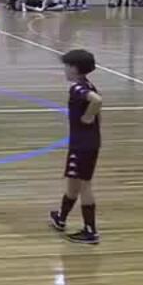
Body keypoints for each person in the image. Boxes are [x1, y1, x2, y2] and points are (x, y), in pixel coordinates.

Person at [48, 49, 103, 245]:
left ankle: (90, 231)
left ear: (75, 68)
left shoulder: (78, 88)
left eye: (66, 66)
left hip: (84, 145)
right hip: (83, 143)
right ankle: (61, 218)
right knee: (73, 180)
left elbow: (96, 100)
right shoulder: (86, 84)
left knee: (84, 184)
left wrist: (88, 116)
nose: (64, 69)